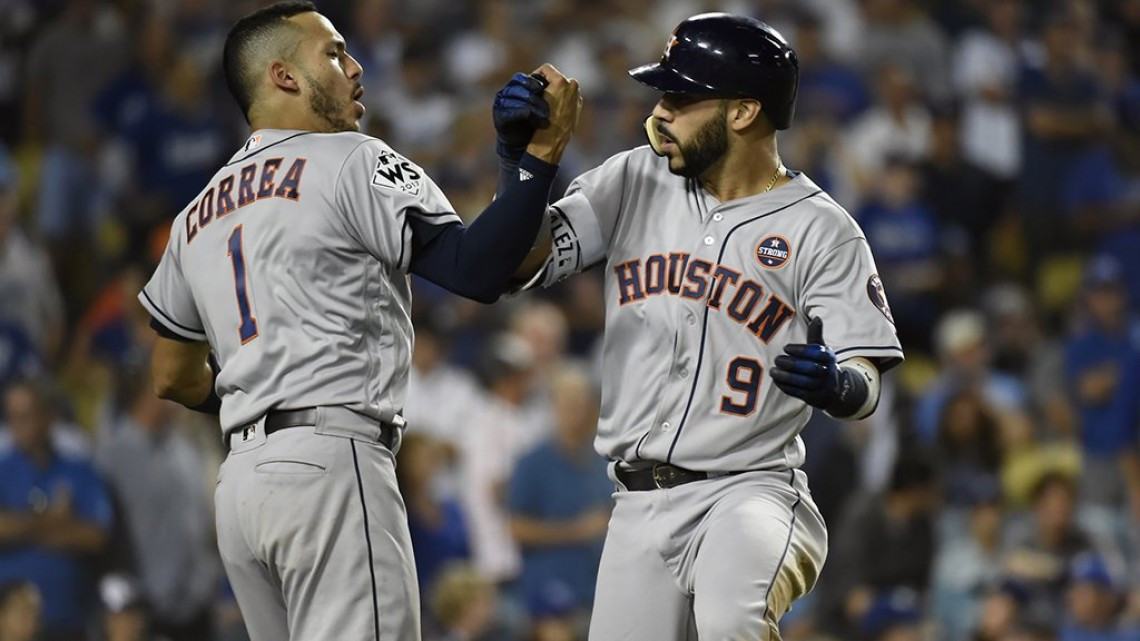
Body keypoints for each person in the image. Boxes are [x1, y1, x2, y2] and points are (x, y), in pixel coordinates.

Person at [136, 2, 581, 640]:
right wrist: (536, 160)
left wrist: (261, 403)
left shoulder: (195, 214)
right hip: (331, 465)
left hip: (239, 489)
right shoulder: (348, 159)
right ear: (283, 76)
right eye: (335, 52)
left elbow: (172, 376)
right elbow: (480, 272)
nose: (355, 66)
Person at [507, 13, 903, 640]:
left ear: (744, 112)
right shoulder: (633, 177)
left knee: (730, 620)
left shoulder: (821, 227)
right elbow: (518, 260)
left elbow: (866, 376)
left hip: (750, 491)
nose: (661, 110)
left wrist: (839, 386)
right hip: (635, 502)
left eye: (683, 97)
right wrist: (525, 163)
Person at [0, 379, 113, 641]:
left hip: (68, 622)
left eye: (26, 416)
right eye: (12, 416)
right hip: (11, 627)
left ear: (48, 417)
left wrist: (22, 530)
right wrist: (53, 519)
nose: (17, 425)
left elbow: (96, 536)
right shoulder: (3, 470)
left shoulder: (79, 469)